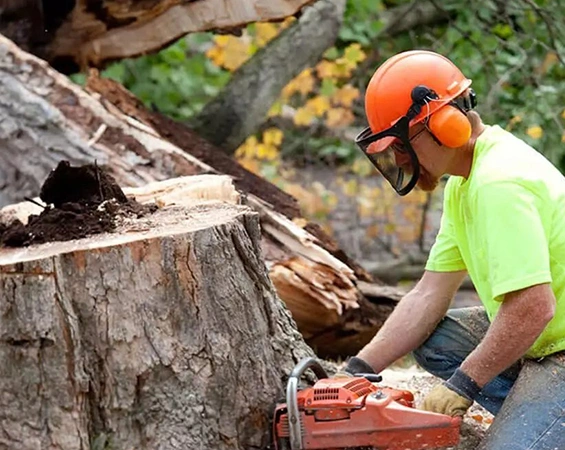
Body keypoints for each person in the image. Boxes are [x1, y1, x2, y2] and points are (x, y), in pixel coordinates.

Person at [345, 49, 565, 449]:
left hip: (557, 345)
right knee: (437, 341)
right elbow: (429, 294)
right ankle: (537, 416)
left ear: (443, 126)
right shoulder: (464, 182)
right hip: (544, 340)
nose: (399, 158)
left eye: (400, 144)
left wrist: (464, 383)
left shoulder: (499, 183)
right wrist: (357, 370)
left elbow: (534, 306)